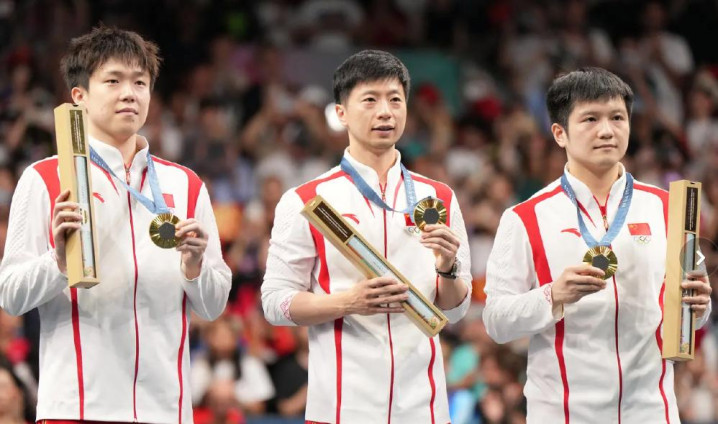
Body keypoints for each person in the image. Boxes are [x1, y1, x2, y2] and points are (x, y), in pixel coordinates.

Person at [0, 26, 231, 423]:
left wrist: (195, 270)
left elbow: (213, 306)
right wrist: (58, 262)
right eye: (113, 81)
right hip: (77, 407)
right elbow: (10, 295)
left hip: (166, 411)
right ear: (80, 96)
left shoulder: (185, 184)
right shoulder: (47, 178)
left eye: (140, 82)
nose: (130, 93)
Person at [482, 67, 712, 422]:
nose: (607, 130)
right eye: (590, 119)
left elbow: (693, 314)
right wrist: (553, 295)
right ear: (559, 133)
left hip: (650, 412)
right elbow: (496, 321)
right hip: (564, 414)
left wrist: (699, 307)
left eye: (617, 117)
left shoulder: (671, 209)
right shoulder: (525, 218)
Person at [261, 50, 472, 423]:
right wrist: (347, 302)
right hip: (342, 406)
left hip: (424, 407)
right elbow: (275, 304)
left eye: (395, 100)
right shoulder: (306, 200)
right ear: (341, 112)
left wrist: (447, 268)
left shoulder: (438, 197)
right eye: (370, 100)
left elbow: (456, 309)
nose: (385, 112)